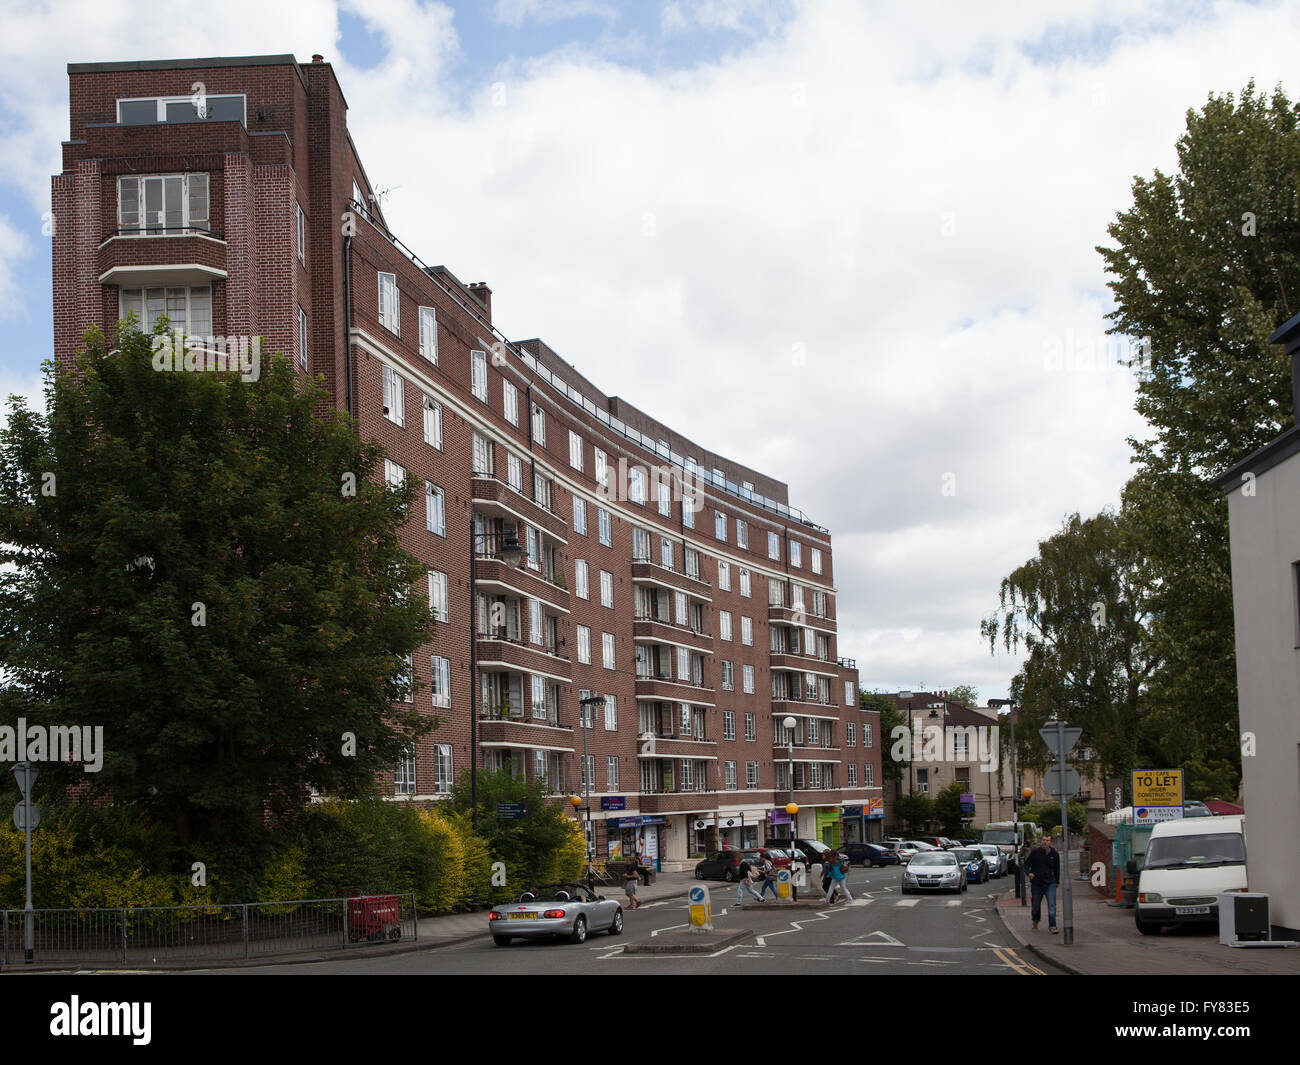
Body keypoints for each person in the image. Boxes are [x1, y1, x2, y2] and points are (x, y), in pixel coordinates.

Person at [1025, 834, 1060, 932]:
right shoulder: (1035, 852)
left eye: (1047, 840)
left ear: (1051, 842)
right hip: (1037, 883)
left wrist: (1057, 881)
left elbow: (1057, 869)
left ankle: (1053, 926)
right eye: (1044, 840)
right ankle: (1035, 921)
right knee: (1035, 905)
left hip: (1050, 882)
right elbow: (1026, 865)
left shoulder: (1054, 854)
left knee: (1052, 904)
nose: (1045, 842)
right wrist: (1029, 873)